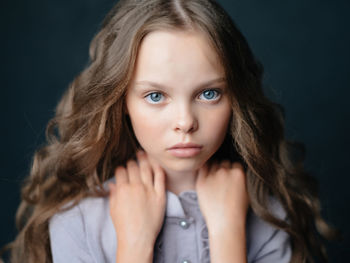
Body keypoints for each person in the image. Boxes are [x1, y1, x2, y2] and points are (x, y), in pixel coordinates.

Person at [1, 0, 339, 262]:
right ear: (122, 103)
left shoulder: (269, 216)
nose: (185, 121)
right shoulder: (78, 222)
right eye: (155, 96)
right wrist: (134, 246)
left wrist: (228, 234)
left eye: (209, 93)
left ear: (235, 97)